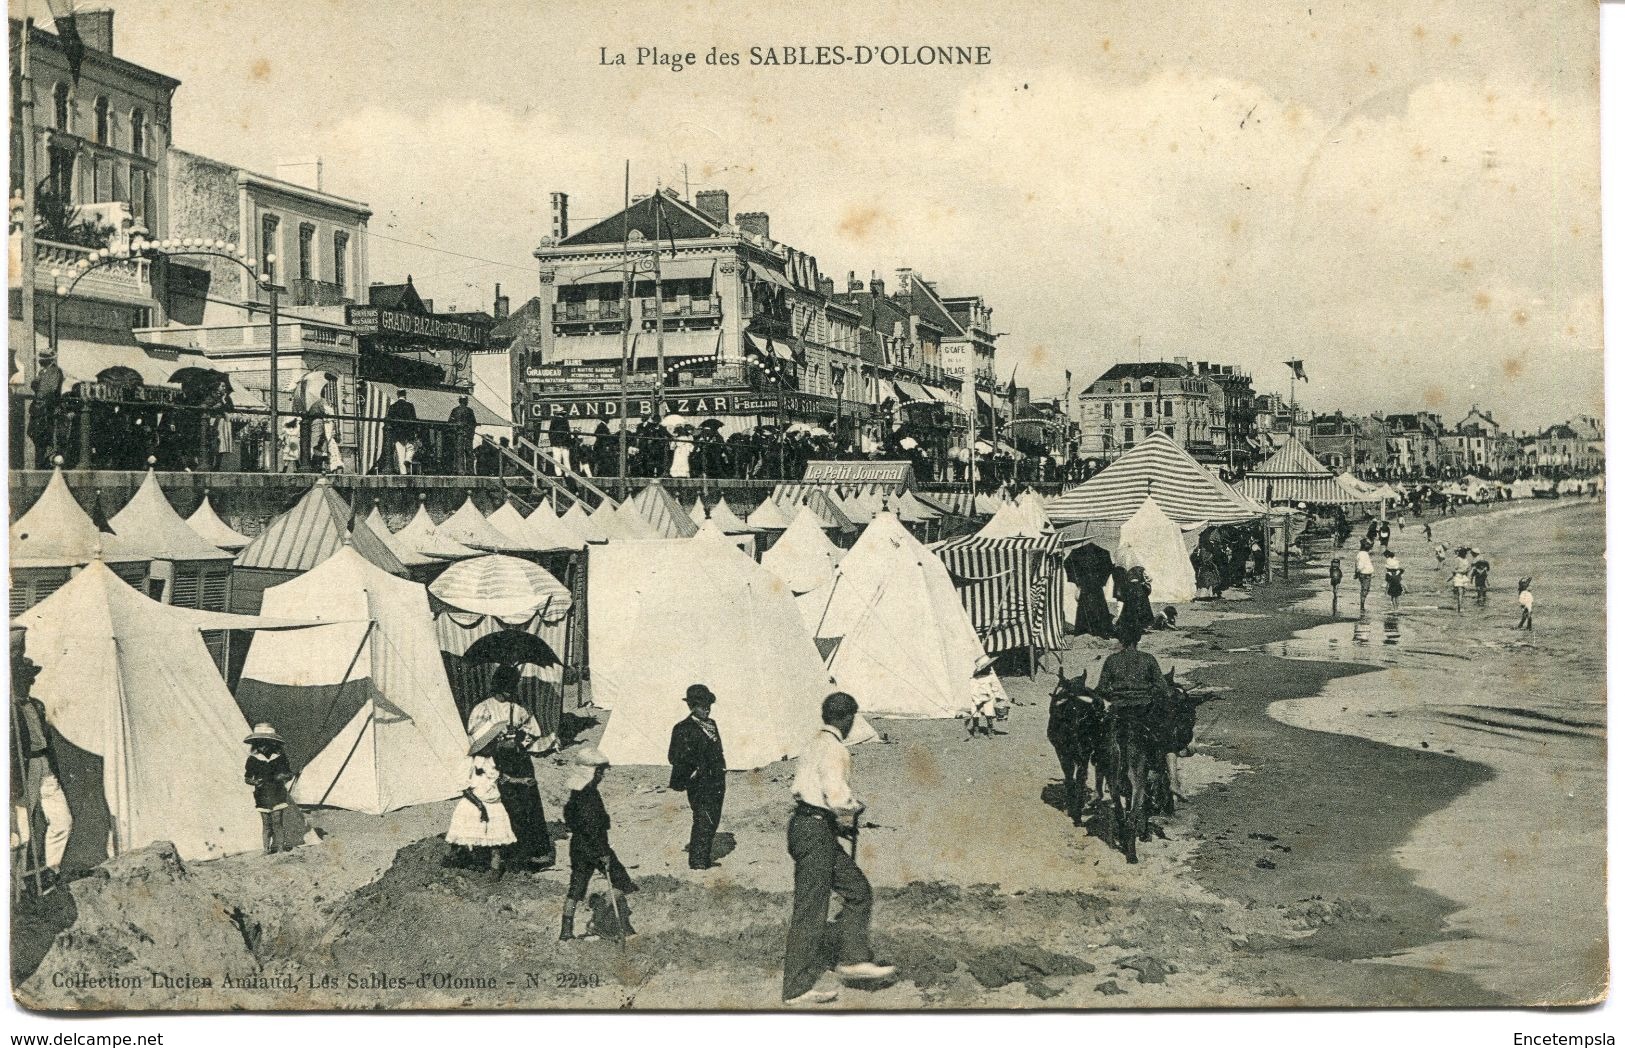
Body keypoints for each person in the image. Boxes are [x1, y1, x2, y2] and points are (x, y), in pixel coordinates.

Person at [782, 692, 895, 1006]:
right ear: (848, 718)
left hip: (810, 826)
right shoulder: (836, 749)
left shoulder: (813, 742)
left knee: (858, 890)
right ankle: (795, 989)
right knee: (810, 911)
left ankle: (853, 958)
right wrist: (852, 807)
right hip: (814, 831)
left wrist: (837, 822)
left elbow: (811, 789)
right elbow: (836, 795)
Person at [465, 668, 558, 871]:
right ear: (497, 687)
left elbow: (534, 731)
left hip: (519, 760)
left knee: (528, 803)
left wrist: (518, 739)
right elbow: (476, 736)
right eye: (506, 688)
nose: (509, 693)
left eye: (512, 688)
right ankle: (503, 853)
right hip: (497, 760)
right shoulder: (484, 708)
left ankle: (532, 851)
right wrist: (497, 739)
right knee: (503, 805)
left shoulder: (519, 708)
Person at [560, 747, 636, 941]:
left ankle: (566, 932)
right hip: (596, 847)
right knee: (622, 882)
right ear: (591, 772)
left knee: (576, 888)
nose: (602, 775)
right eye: (600, 771)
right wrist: (603, 853)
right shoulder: (590, 796)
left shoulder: (575, 795)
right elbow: (593, 828)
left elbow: (572, 821)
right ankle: (598, 921)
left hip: (577, 846)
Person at [12, 647, 71, 893]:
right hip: (24, 770)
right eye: (23, 679)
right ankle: (15, 887)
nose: (29, 683)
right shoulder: (8, 710)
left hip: (45, 765)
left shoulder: (37, 705)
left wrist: (54, 769)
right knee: (22, 833)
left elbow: (46, 740)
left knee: (62, 821)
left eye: (30, 679)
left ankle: (50, 872)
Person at [667, 684, 727, 870]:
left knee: (713, 818)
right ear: (692, 706)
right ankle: (698, 860)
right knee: (703, 817)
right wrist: (692, 771)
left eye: (709, 705)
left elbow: (718, 750)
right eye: (702, 706)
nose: (707, 709)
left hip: (716, 779)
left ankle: (703, 855)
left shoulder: (712, 724)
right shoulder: (682, 728)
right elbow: (673, 756)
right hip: (699, 783)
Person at [444, 724, 514, 878]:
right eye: (492, 743)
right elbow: (466, 789)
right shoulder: (471, 763)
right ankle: (453, 861)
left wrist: (520, 781)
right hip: (474, 804)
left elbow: (501, 778)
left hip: (494, 804)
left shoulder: (493, 761)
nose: (495, 745)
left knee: (496, 838)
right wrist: (480, 807)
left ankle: (495, 869)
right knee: (463, 834)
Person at [243, 723, 297, 855]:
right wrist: (255, 782)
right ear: (256, 744)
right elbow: (247, 777)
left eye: (267, 742)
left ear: (273, 743)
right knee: (266, 824)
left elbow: (289, 774)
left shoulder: (279, 757)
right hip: (262, 794)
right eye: (260, 743)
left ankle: (279, 849)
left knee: (277, 821)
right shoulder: (253, 759)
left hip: (277, 792)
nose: (264, 746)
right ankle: (266, 849)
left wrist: (283, 776)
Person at [29, 349, 64, 469]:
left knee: (46, 438)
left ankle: (46, 463)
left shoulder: (54, 371)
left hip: (47, 410)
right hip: (39, 409)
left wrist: (39, 392)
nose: (40, 360)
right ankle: (41, 463)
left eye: (43, 358)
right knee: (36, 435)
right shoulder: (43, 372)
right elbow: (35, 385)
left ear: (49, 360)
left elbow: (49, 390)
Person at [963, 657, 1009, 739]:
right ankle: (976, 728)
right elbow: (973, 692)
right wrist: (977, 702)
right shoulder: (974, 679)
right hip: (977, 698)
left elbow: (995, 687)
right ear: (983, 668)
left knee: (989, 714)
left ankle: (990, 729)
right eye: (988, 667)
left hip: (988, 698)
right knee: (976, 714)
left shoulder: (990, 677)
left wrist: (998, 696)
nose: (990, 669)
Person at [385, 389, 418, 475]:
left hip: (397, 434)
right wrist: (414, 431)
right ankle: (408, 458)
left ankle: (403, 474)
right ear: (405, 395)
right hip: (408, 432)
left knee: (400, 454)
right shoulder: (410, 406)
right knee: (411, 448)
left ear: (397, 395)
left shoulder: (393, 406)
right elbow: (414, 420)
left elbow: (389, 420)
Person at [448, 395, 478, 476]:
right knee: (466, 452)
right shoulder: (467, 411)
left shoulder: (456, 410)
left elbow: (450, 423)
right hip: (462, 434)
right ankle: (467, 471)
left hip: (461, 434)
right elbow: (473, 424)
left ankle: (461, 470)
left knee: (461, 452)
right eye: (465, 400)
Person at [1355, 539, 1375, 614]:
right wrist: (1358, 571)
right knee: (1365, 589)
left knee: (1364, 589)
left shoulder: (1361, 554)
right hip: (1365, 574)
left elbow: (1357, 564)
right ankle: (1362, 605)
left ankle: (1362, 604)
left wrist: (1356, 572)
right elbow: (1360, 565)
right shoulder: (1363, 554)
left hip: (1363, 573)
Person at [1451, 548, 1472, 612]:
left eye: (1466, 553)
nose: (1465, 554)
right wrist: (1461, 571)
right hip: (1458, 576)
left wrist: (1468, 572)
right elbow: (1453, 569)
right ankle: (1459, 608)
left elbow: (1468, 568)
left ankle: (1460, 606)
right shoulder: (1457, 559)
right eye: (1465, 553)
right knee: (1460, 593)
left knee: (1463, 593)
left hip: (1464, 577)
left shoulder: (1466, 559)